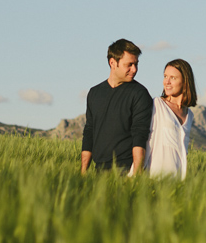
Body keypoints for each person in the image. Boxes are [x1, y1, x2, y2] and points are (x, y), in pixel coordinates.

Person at [81, 39, 153, 174]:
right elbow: (89, 131)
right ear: (113, 63)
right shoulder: (94, 93)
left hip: (126, 170)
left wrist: (135, 176)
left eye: (136, 64)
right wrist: (83, 172)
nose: (134, 69)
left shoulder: (140, 94)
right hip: (99, 170)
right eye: (129, 65)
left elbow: (140, 135)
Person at [140, 58, 197, 179]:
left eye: (173, 78)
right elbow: (142, 139)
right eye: (165, 76)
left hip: (177, 181)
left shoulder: (189, 114)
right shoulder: (157, 105)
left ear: (185, 81)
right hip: (154, 179)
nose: (167, 82)